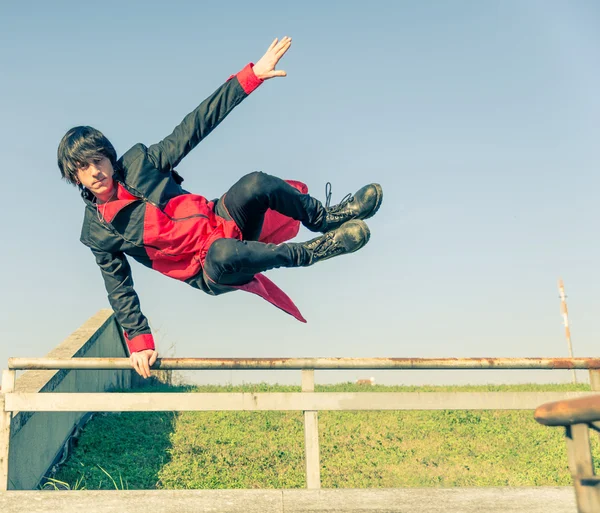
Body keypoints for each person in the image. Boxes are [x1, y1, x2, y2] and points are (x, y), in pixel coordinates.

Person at [57, 37, 382, 379]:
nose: (95, 172)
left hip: (221, 221)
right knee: (225, 252)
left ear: (109, 156)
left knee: (255, 182)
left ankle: (325, 218)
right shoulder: (97, 231)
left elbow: (195, 126)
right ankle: (313, 252)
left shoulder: (140, 163)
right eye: (83, 168)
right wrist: (139, 340)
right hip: (210, 267)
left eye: (98, 160)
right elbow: (119, 287)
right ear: (75, 177)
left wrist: (252, 76)